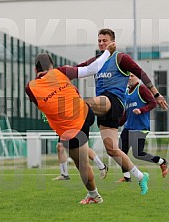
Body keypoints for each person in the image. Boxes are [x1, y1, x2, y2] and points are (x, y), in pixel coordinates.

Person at [76, 28, 168, 195]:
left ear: (113, 42)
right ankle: (141, 176)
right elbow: (77, 69)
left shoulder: (121, 58)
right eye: (99, 41)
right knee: (112, 150)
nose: (102, 43)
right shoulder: (96, 60)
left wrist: (156, 94)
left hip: (114, 101)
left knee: (83, 105)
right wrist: (56, 74)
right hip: (104, 108)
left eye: (105, 40)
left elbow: (141, 73)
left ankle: (81, 140)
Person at [25, 42, 116, 204]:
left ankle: (94, 195)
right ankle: (115, 107)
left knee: (81, 164)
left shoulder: (30, 88)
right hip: (87, 113)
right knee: (96, 105)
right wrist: (108, 53)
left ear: (35, 70)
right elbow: (91, 69)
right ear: (52, 66)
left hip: (71, 129)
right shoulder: (61, 72)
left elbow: (44, 104)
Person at [116, 73, 168, 182]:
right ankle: (127, 177)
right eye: (128, 76)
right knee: (120, 152)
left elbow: (153, 103)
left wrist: (141, 110)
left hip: (140, 127)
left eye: (132, 76)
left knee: (138, 154)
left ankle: (161, 161)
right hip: (128, 127)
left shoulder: (142, 88)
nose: (129, 78)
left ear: (138, 78)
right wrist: (118, 123)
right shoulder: (126, 92)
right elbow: (127, 112)